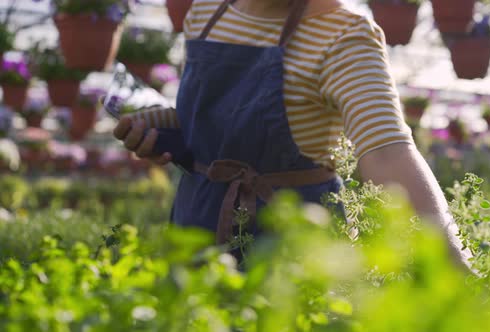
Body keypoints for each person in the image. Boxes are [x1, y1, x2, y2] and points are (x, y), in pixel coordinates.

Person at [112, 0, 471, 268]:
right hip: (196, 222)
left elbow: (388, 153)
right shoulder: (207, 13)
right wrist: (161, 125)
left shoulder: (343, 36)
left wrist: (454, 264)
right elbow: (215, 120)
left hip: (294, 243)